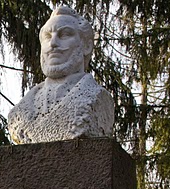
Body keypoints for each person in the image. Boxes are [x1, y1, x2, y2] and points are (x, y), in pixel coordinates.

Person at [7, 6, 114, 144]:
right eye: (47, 37)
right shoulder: (19, 112)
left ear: (86, 46)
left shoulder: (96, 99)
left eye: (64, 35)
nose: (53, 44)